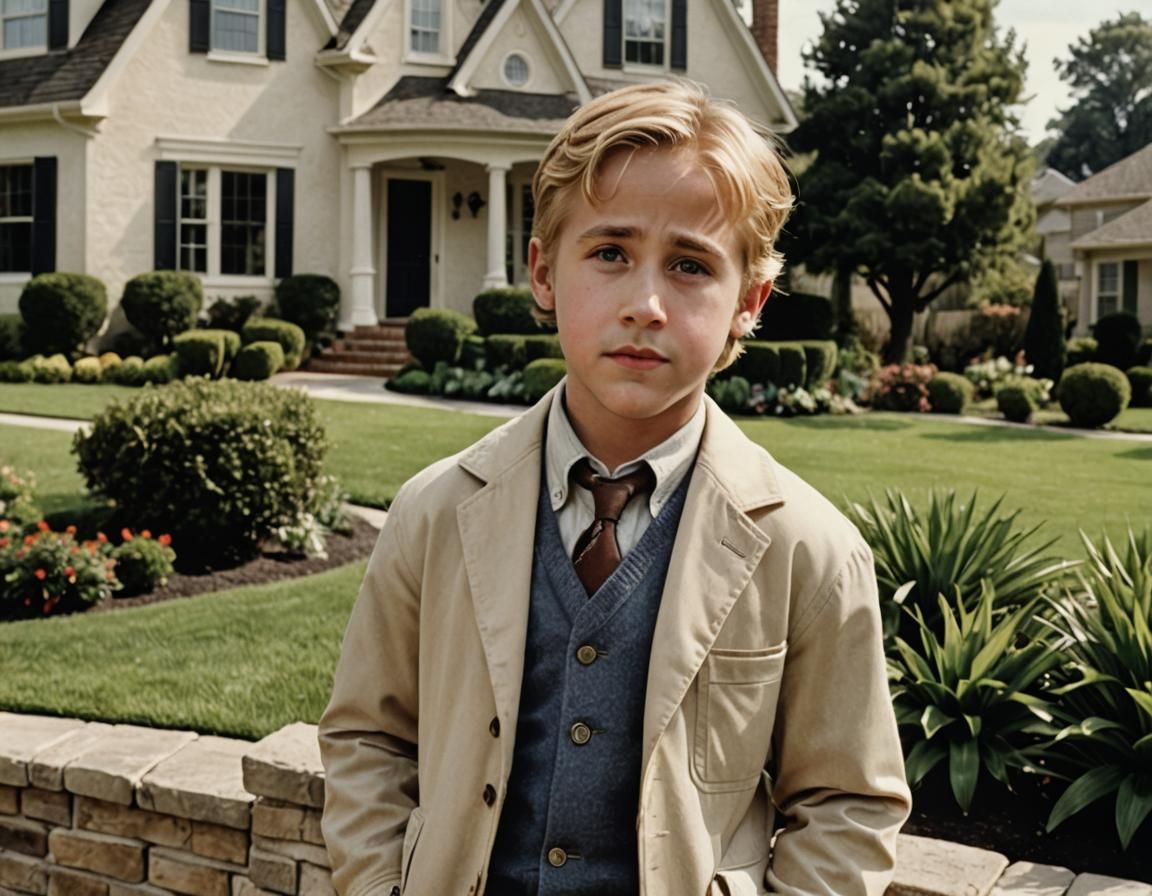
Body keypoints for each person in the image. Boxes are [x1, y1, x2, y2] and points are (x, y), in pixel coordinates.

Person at [318, 80, 911, 896]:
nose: (646, 305)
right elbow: (368, 739)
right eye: (609, 253)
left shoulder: (809, 551)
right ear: (543, 272)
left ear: (748, 302)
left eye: (690, 265)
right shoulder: (435, 513)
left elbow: (848, 802)